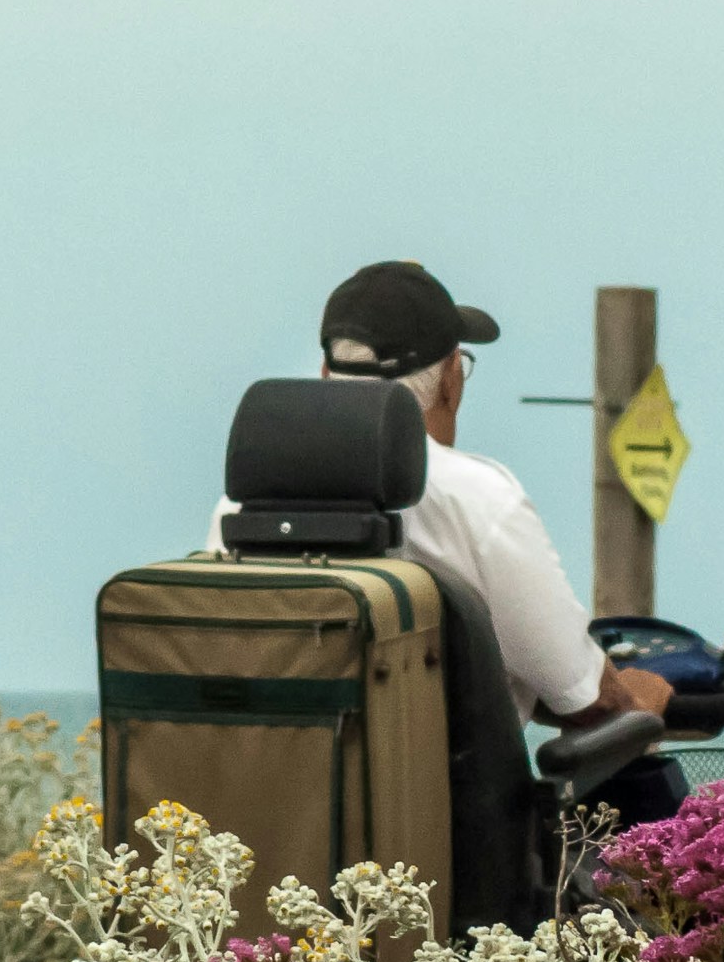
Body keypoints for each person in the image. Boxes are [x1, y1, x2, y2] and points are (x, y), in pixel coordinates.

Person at [216, 259, 683, 818]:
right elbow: (587, 700)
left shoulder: (243, 504)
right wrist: (644, 696)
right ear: (451, 378)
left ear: (325, 374)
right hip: (437, 837)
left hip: (277, 819)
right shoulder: (476, 497)